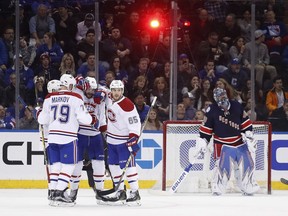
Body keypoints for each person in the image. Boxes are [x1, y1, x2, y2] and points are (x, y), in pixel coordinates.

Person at [37, 74, 94, 206]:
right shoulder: (76, 97)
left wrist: (38, 112)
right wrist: (90, 118)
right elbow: (85, 119)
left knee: (55, 165)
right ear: (70, 86)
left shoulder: (49, 97)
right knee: (69, 165)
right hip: (68, 136)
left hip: (52, 136)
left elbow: (42, 120)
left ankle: (52, 194)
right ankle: (59, 192)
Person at [195, 87, 260, 196]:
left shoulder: (236, 105)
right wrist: (203, 141)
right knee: (222, 167)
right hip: (221, 144)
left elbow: (245, 124)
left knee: (247, 164)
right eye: (219, 98)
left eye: (223, 96)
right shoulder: (211, 110)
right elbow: (206, 130)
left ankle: (247, 185)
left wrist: (249, 134)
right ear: (216, 99)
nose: (222, 99)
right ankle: (218, 186)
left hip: (239, 142)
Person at [102, 80, 141, 206]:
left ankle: (135, 193)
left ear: (122, 91)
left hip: (123, 142)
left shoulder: (127, 104)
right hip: (112, 141)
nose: (116, 93)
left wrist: (133, 137)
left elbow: (135, 123)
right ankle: (120, 192)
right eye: (114, 90)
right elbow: (101, 89)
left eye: (119, 90)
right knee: (113, 166)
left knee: (128, 167)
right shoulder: (109, 97)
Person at [69, 76, 107, 204]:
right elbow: (72, 84)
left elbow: (111, 93)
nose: (91, 92)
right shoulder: (78, 94)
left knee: (99, 164)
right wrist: (79, 80)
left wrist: (103, 92)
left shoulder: (100, 96)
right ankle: (73, 191)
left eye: (93, 90)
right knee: (77, 164)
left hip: (95, 135)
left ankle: (100, 192)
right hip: (80, 134)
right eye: (88, 89)